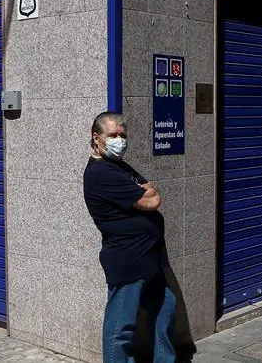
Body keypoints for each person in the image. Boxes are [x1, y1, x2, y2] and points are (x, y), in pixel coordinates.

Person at [83, 112, 177, 363]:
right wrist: (146, 191)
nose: (119, 140)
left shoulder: (119, 167)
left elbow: (149, 189)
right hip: (129, 260)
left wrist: (147, 190)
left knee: (165, 307)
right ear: (97, 138)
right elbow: (152, 198)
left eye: (123, 135)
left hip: (149, 260)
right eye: (112, 135)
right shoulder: (101, 173)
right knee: (120, 328)